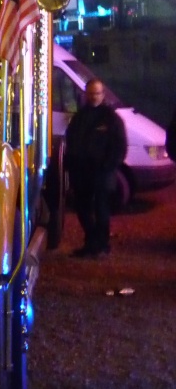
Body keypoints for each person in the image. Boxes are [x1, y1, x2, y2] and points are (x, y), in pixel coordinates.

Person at [65, 78, 127, 258]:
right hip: (81, 172)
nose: (94, 97)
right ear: (86, 93)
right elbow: (72, 141)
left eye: (97, 93)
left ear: (103, 94)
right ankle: (91, 243)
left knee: (101, 210)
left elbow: (119, 146)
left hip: (102, 172)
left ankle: (102, 245)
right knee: (82, 209)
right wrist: (71, 165)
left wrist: (108, 166)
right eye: (91, 93)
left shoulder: (111, 118)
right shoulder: (80, 117)